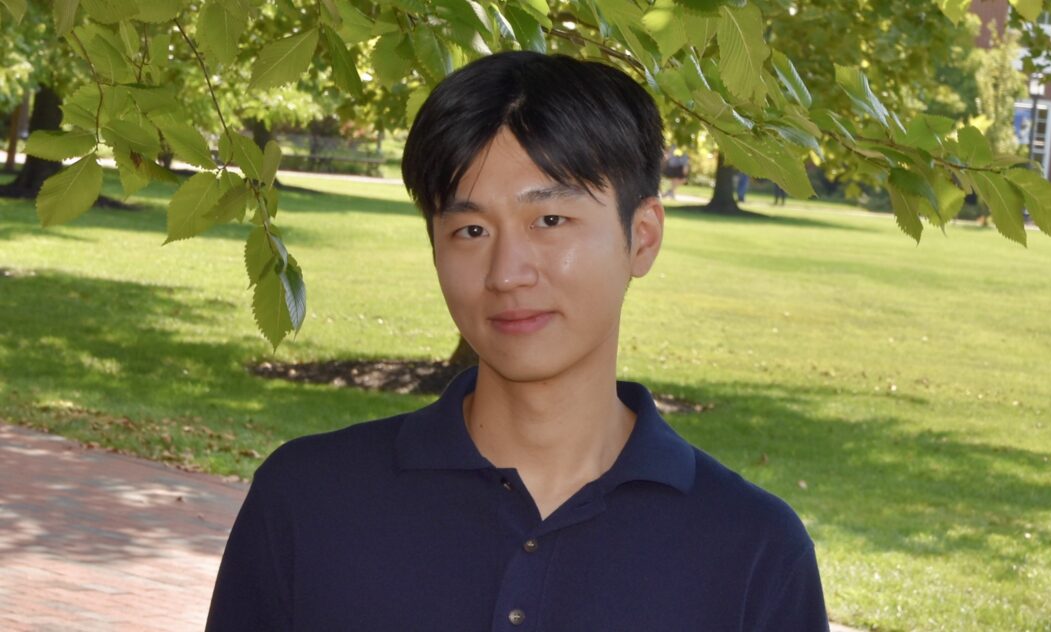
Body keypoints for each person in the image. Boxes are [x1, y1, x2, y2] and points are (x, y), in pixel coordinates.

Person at [206, 51, 828, 631]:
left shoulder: (754, 551)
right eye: (471, 229)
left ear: (642, 237)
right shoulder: (308, 499)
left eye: (550, 220)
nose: (506, 273)